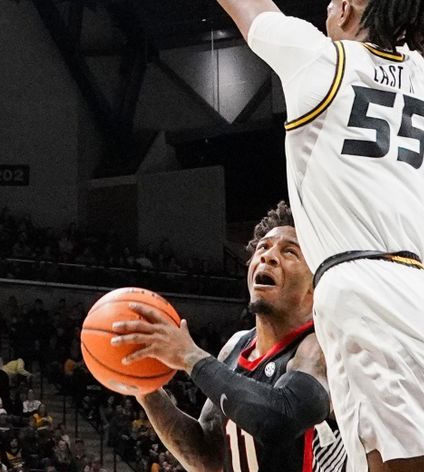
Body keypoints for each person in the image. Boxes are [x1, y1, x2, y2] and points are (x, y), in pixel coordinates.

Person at [214, 0, 424, 470]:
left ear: (346, 9)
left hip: (363, 289)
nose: (327, 4)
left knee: (395, 467)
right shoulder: (416, 75)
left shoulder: (318, 60)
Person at [112, 202, 346, 471]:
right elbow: (207, 457)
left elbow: (279, 421)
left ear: (314, 286)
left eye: (289, 251)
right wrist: (147, 389)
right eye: (263, 247)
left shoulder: (323, 347)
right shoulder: (235, 347)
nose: (268, 257)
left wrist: (191, 357)